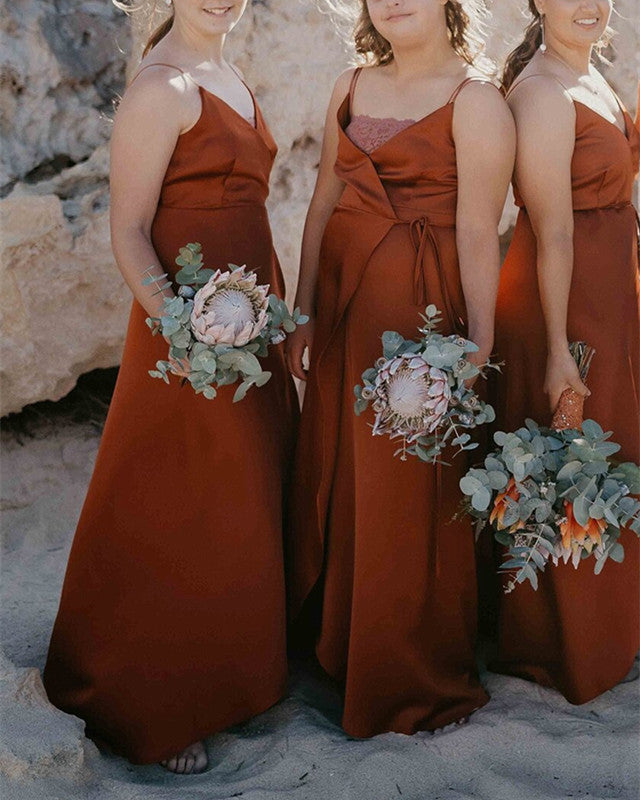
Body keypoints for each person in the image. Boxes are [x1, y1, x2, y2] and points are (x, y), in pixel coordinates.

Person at [44, 0, 297, 773]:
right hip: (191, 331)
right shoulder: (162, 87)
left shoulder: (228, 72)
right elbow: (129, 229)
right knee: (177, 500)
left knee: (239, 495)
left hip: (249, 322)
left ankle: (226, 675)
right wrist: (187, 332)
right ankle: (152, 701)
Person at [286, 0, 514, 737]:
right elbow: (324, 197)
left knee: (406, 487)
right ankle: (339, 644)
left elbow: (480, 230)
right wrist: (303, 306)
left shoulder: (476, 101)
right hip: (344, 310)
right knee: (342, 470)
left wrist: (478, 342)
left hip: (422, 318)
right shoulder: (351, 84)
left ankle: (405, 667)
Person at [492, 0, 640, 702]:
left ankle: (614, 627)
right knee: (572, 456)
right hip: (566, 296)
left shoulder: (593, 76)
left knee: (609, 452)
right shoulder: (543, 94)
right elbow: (550, 233)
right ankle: (566, 648)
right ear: (537, 3)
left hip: (610, 293)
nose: (587, 4)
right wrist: (556, 349)